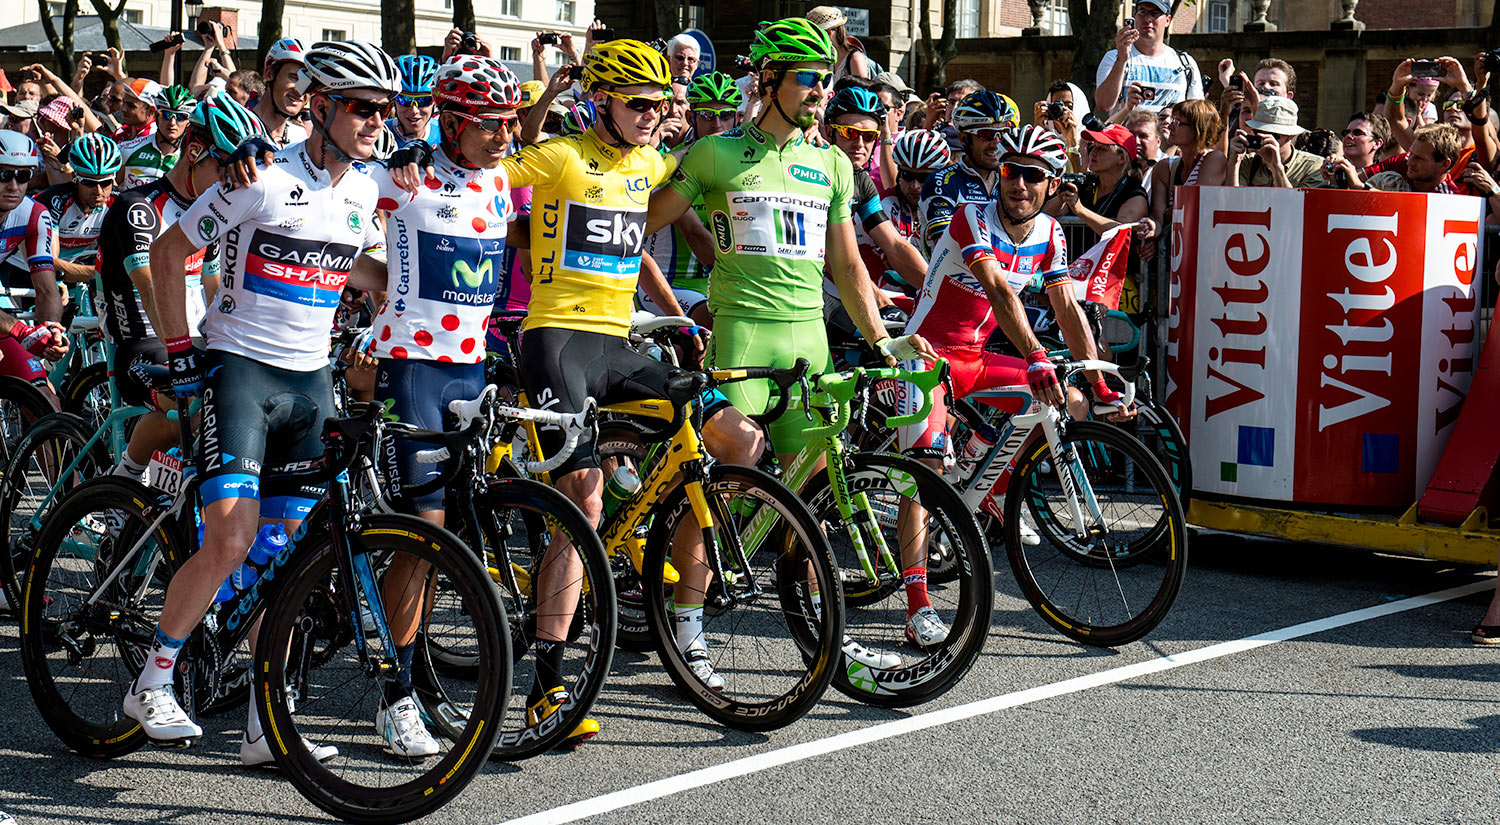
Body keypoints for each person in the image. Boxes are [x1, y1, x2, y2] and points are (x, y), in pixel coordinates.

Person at [124, 40, 394, 765]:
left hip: (311, 382)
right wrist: (180, 352)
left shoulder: (363, 190)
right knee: (232, 541)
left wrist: (402, 274)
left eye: (385, 110)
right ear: (325, 105)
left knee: (280, 556)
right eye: (364, 108)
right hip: (241, 371)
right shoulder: (260, 177)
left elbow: (350, 258)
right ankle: (152, 680)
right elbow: (167, 251)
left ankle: (264, 723)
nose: (376, 122)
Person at [647, 17, 936, 463]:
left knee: (812, 496)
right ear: (767, 79)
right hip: (742, 334)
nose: (822, 90)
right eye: (807, 77)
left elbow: (846, 266)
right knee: (727, 484)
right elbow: (640, 224)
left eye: (825, 77)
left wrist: (880, 339)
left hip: (810, 341)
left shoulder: (834, 164)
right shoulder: (714, 153)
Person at [349, 54, 523, 757]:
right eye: (490, 123)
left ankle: (414, 667)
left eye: (510, 120)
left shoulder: (502, 178)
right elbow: (335, 203)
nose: (504, 133)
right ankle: (394, 698)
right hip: (412, 369)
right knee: (423, 534)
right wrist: (371, 291)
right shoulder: (403, 174)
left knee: (455, 530)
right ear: (450, 120)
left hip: (470, 368)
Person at [896, 125, 1120, 642]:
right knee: (923, 472)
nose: (1018, 183)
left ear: (1052, 184)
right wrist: (1037, 355)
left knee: (1070, 402)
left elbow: (1065, 306)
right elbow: (998, 289)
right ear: (999, 174)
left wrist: (1095, 375)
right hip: (924, 356)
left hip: (975, 357)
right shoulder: (972, 216)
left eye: (1032, 175)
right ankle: (917, 606)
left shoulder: (1052, 234)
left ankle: (987, 485)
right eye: (1011, 172)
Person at [95, 93, 256, 487]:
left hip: (191, 341)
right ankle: (125, 478)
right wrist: (182, 351)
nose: (232, 181)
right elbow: (149, 288)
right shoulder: (139, 208)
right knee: (194, 405)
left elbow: (214, 284)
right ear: (195, 151)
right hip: (141, 342)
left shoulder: (212, 209)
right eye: (225, 167)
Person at [821, 86, 927, 296]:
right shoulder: (816, 173)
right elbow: (832, 256)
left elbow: (895, 245)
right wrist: (879, 300)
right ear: (829, 132)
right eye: (850, 133)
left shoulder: (860, 180)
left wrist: (939, 291)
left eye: (869, 136)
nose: (860, 144)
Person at [919, 90, 1020, 252]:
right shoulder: (942, 182)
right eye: (986, 134)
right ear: (963, 139)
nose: (996, 143)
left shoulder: (1011, 180)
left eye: (1003, 134)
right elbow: (950, 247)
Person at [1142, 99, 1226, 262]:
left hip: (1205, 257)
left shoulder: (1214, 159)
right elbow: (1158, 218)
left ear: (1198, 129)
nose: (1170, 125)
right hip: (1177, 259)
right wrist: (1153, 231)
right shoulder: (1163, 168)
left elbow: (1196, 207)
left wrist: (1169, 215)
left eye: (1179, 122)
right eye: (1172, 119)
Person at [36, 133, 120, 286]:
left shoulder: (118, 202)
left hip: (72, 270)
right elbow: (50, 263)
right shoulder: (56, 200)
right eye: (89, 182)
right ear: (75, 176)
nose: (99, 191)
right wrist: (107, 274)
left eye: (106, 182)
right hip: (22, 267)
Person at [0, 132, 60, 344]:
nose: (14, 186)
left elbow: (46, 289)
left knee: (33, 374)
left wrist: (50, 333)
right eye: (4, 175)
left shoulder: (33, 215)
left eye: (23, 176)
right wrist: (23, 333)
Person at [1095, 0, 1203, 117]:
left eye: (1155, 13)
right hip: (1124, 135)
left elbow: (1196, 116)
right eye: (1142, 12)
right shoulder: (1113, 58)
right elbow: (1104, 105)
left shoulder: (1185, 64)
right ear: (1134, 16)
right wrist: (1121, 60)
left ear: (1167, 20)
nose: (1147, 19)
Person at [1228, 95, 1323, 189]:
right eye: (1259, 132)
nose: (1265, 139)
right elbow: (1232, 201)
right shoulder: (1247, 162)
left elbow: (1296, 203)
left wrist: (1276, 168)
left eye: (1273, 135)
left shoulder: (1314, 167)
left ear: (1291, 136)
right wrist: (1234, 164)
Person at [882, 129, 949, 257]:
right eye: (907, 175)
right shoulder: (886, 203)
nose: (915, 186)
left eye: (924, 178)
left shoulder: (952, 204)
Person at [117, 84, 193, 188]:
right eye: (166, 115)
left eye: (180, 116)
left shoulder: (192, 158)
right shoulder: (126, 149)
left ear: (188, 122)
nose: (172, 123)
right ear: (156, 116)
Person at [255, 38, 310, 149]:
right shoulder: (239, 125)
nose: (300, 90)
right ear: (269, 74)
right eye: (294, 78)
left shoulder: (300, 136)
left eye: (308, 83)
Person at [807, 5, 871, 84]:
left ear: (829, 33)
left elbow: (862, 93)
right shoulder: (822, 58)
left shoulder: (855, 58)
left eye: (814, 35)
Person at [388, 54, 440, 147]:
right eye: (404, 100)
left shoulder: (446, 135)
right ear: (393, 100)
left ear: (435, 102)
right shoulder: (378, 134)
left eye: (423, 100)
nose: (414, 110)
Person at [113, 78, 161, 143]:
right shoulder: (121, 132)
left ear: (151, 111)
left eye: (131, 106)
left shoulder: (154, 137)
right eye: (123, 102)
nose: (123, 109)